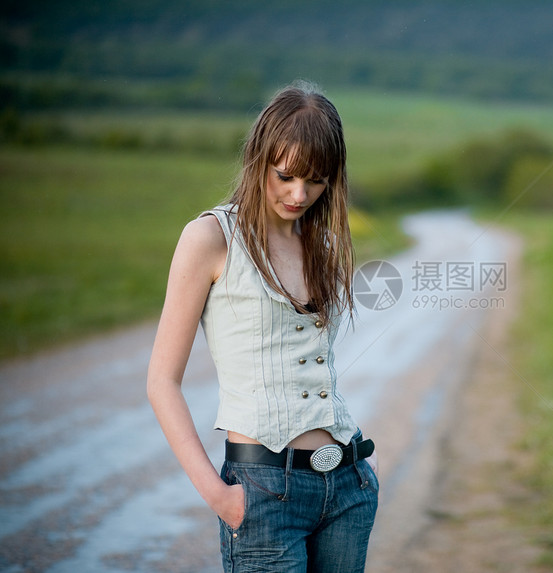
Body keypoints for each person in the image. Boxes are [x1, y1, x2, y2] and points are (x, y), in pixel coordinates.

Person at [147, 80, 378, 573]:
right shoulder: (211, 238)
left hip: (347, 487)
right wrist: (219, 496)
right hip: (262, 493)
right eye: (286, 176)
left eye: (316, 181)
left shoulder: (326, 246)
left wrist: (357, 477)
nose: (299, 194)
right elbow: (161, 381)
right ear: (258, 159)